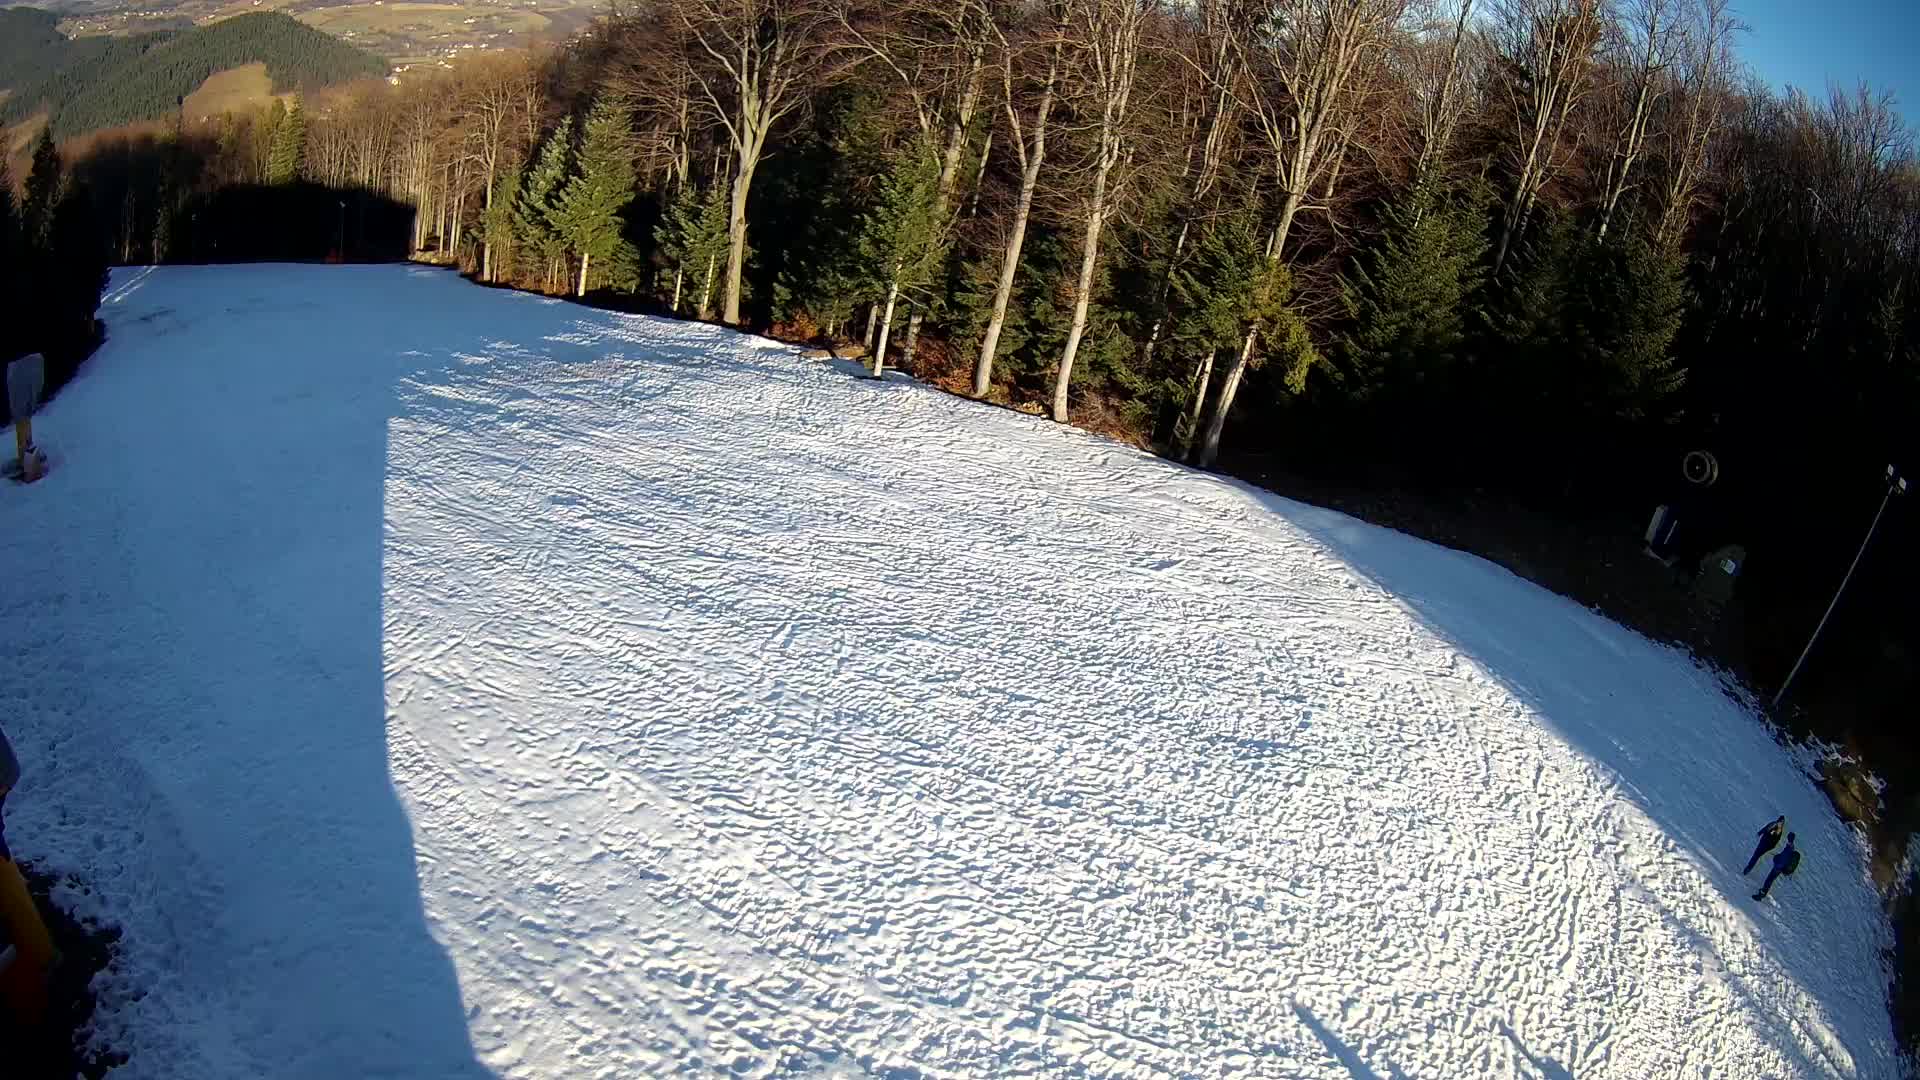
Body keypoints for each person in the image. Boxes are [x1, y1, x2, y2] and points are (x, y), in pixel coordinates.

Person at [1753, 833, 1800, 901]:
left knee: (1769, 880)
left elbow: (1782, 859)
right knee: (1770, 880)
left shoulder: (1789, 849)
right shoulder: (1791, 846)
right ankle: (1764, 891)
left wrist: (1776, 858)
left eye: (1788, 837)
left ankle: (1761, 895)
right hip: (1780, 867)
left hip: (1778, 867)